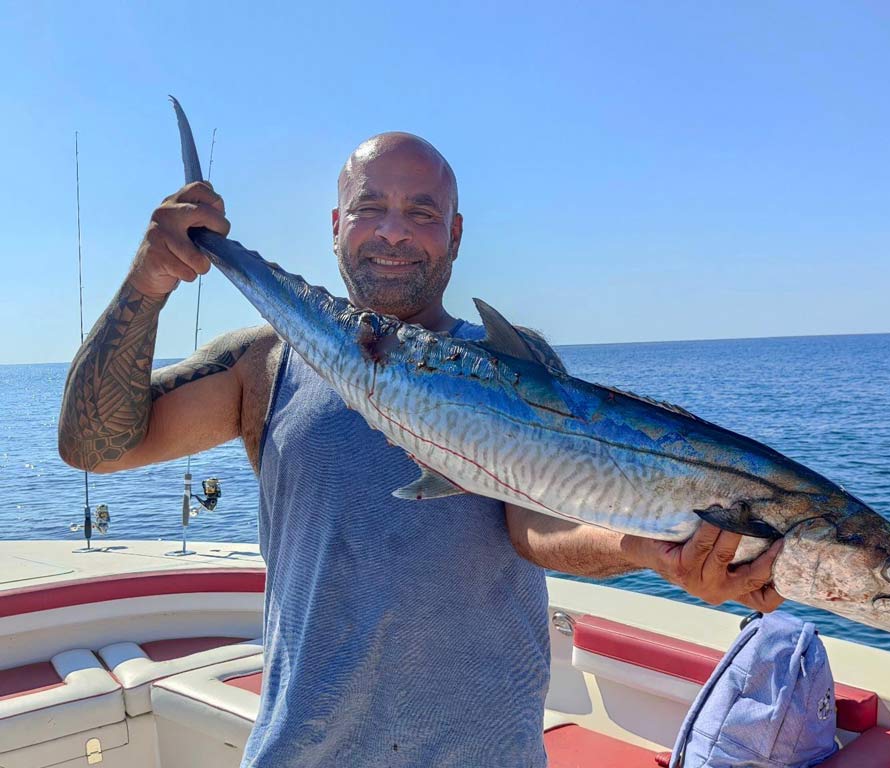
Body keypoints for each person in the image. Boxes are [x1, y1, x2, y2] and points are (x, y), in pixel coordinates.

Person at [58, 132, 783, 767]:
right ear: (336, 225)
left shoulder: (518, 370)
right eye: (370, 208)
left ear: (457, 235)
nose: (393, 232)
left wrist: (648, 548)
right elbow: (94, 446)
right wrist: (148, 280)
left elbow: (539, 523)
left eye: (422, 213)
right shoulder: (262, 364)